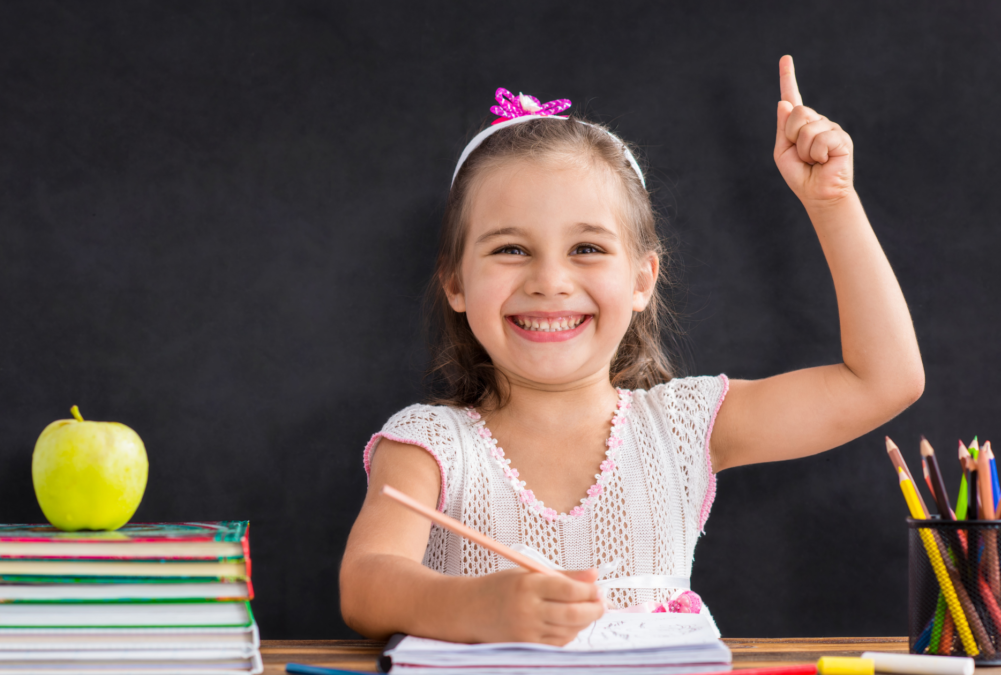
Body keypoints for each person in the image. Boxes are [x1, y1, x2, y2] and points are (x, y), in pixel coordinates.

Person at [338, 56, 924, 646]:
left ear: (643, 280)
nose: (550, 281)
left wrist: (833, 204)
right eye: (511, 249)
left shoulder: (684, 426)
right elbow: (365, 588)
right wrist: (481, 605)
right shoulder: (429, 443)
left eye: (587, 249)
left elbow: (884, 380)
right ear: (456, 283)